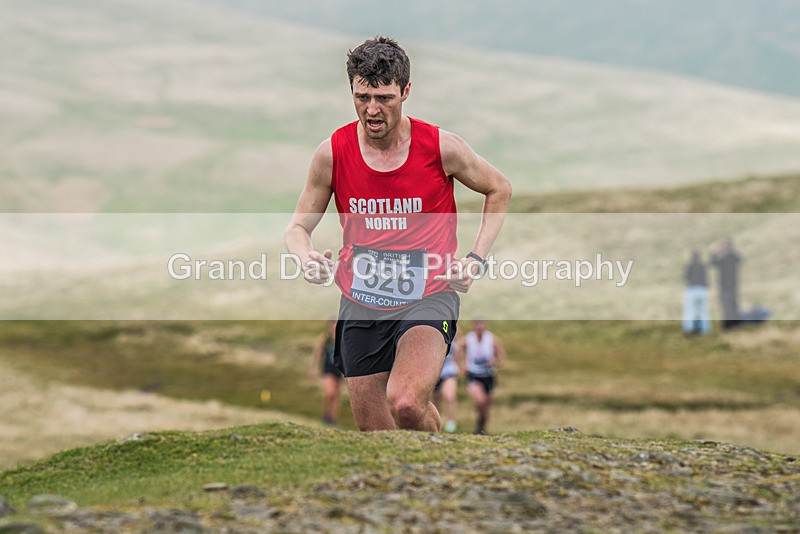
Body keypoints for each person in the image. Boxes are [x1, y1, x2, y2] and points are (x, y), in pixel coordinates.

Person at [285, 36, 512, 432]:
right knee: (378, 433)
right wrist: (307, 260)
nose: (372, 110)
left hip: (429, 294)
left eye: (385, 98)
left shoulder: (442, 148)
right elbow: (297, 228)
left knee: (405, 402)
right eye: (362, 97)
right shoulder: (332, 154)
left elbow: (500, 188)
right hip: (361, 301)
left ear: (406, 91)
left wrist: (474, 260)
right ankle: (423, 480)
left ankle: (441, 475)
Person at [460, 319, 505, 434]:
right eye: (476, 323)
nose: (479, 326)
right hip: (473, 374)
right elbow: (456, 348)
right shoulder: (468, 339)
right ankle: (480, 426)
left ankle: (481, 426)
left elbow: (501, 358)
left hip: (488, 375)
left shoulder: (492, 340)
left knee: (487, 405)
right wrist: (461, 365)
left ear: (485, 325)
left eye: (481, 323)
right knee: (480, 401)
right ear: (473, 325)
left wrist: (494, 361)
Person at [307, 319, 344, 425]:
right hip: (328, 369)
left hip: (340, 370)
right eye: (332, 325)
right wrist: (313, 369)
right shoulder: (325, 339)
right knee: (329, 393)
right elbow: (317, 354)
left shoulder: (343, 338)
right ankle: (327, 414)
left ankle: (333, 418)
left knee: (337, 395)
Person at [710, 238, 741, 329]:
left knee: (727, 306)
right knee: (732, 305)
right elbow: (740, 259)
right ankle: (734, 324)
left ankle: (729, 325)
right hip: (732, 285)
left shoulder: (725, 258)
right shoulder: (732, 257)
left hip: (726, 286)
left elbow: (713, 262)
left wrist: (714, 252)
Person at [432, 338, 460, 433]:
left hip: (449, 370)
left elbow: (458, 348)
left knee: (450, 397)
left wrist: (460, 364)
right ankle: (436, 425)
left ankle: (451, 424)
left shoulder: (454, 329)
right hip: (435, 371)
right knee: (436, 401)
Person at [682, 250, 711, 335]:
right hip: (703, 289)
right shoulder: (703, 265)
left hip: (692, 288)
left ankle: (689, 328)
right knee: (703, 310)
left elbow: (686, 276)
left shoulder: (690, 265)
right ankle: (705, 329)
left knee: (690, 310)